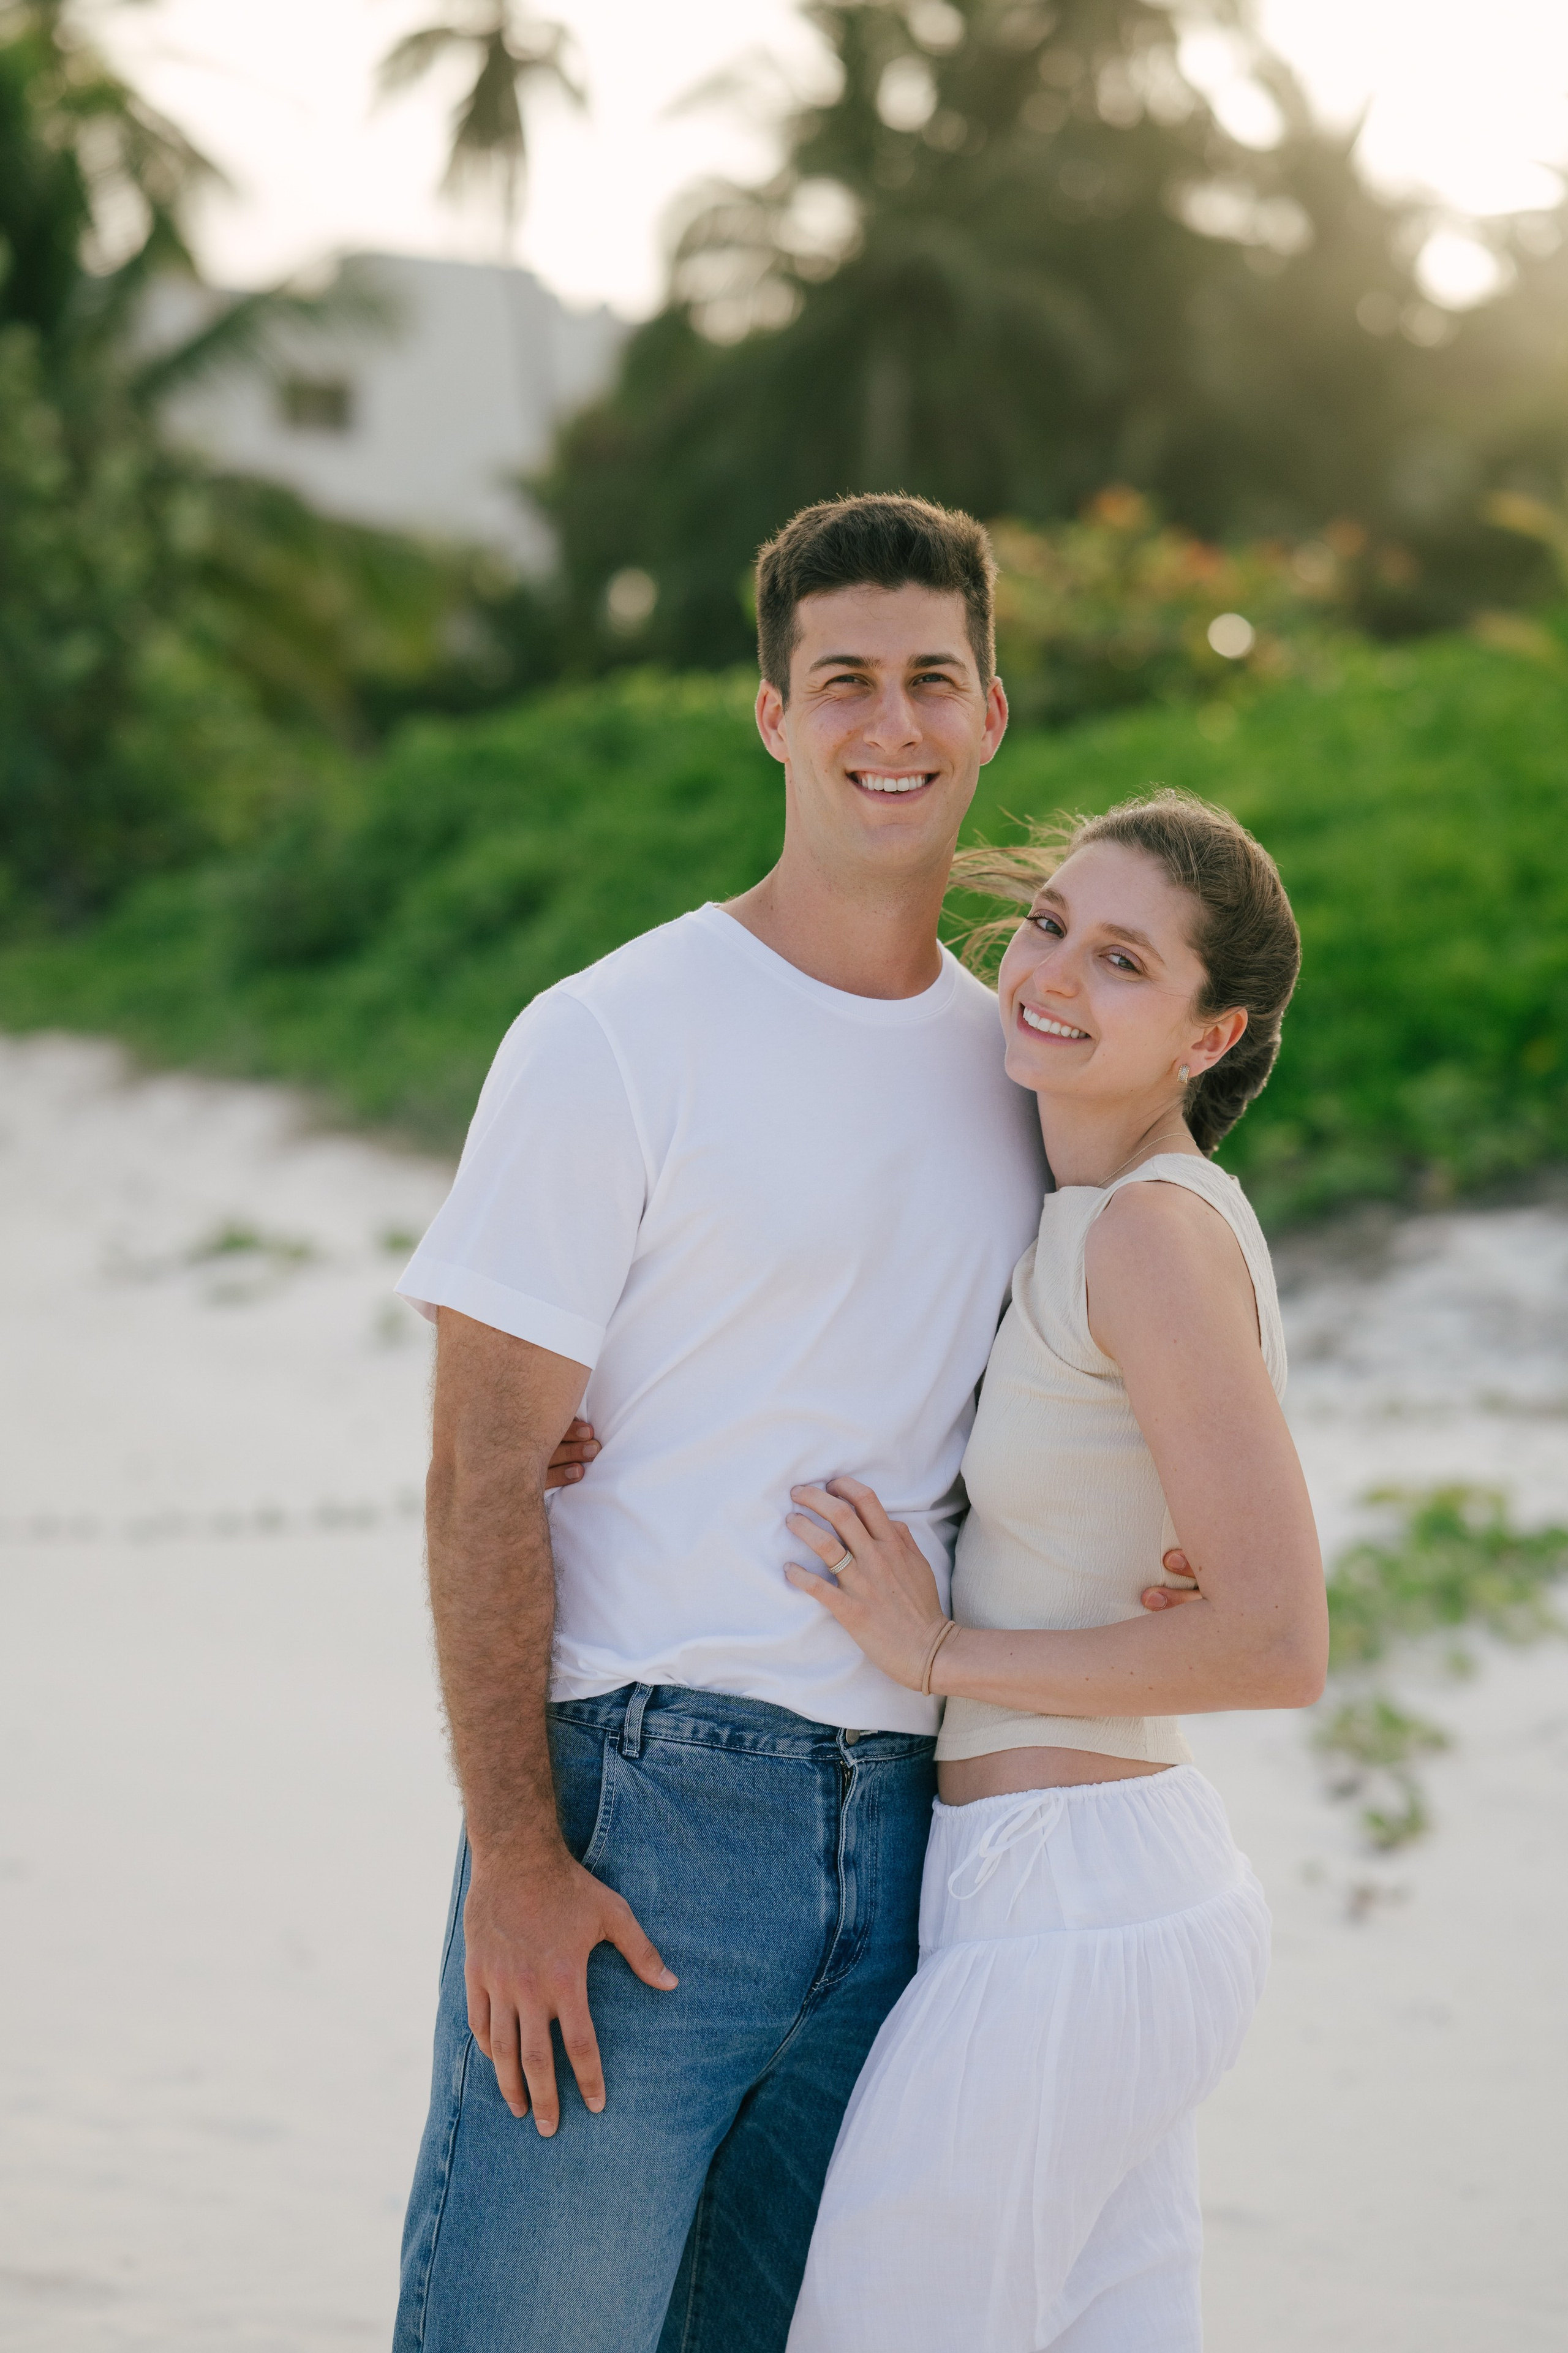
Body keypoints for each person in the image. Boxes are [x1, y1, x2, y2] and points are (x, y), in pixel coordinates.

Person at [389, 493, 1065, 2353]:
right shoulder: (612, 1034)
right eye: (842, 680)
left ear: (991, 711)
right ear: (771, 712)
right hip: (642, 1817)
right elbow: (477, 1474)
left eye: (930, 678)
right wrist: (519, 1860)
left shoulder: (1020, 1064)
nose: (890, 723)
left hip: (913, 1841)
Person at [782, 791, 1329, 2352]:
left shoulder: (1147, 1234)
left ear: (1207, 1036)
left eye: (1121, 961)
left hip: (1078, 1898)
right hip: (1061, 1889)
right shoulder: (1087, 1216)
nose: (1053, 973)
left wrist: (935, 1653)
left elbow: (1276, 1640)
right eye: (1048, 924)